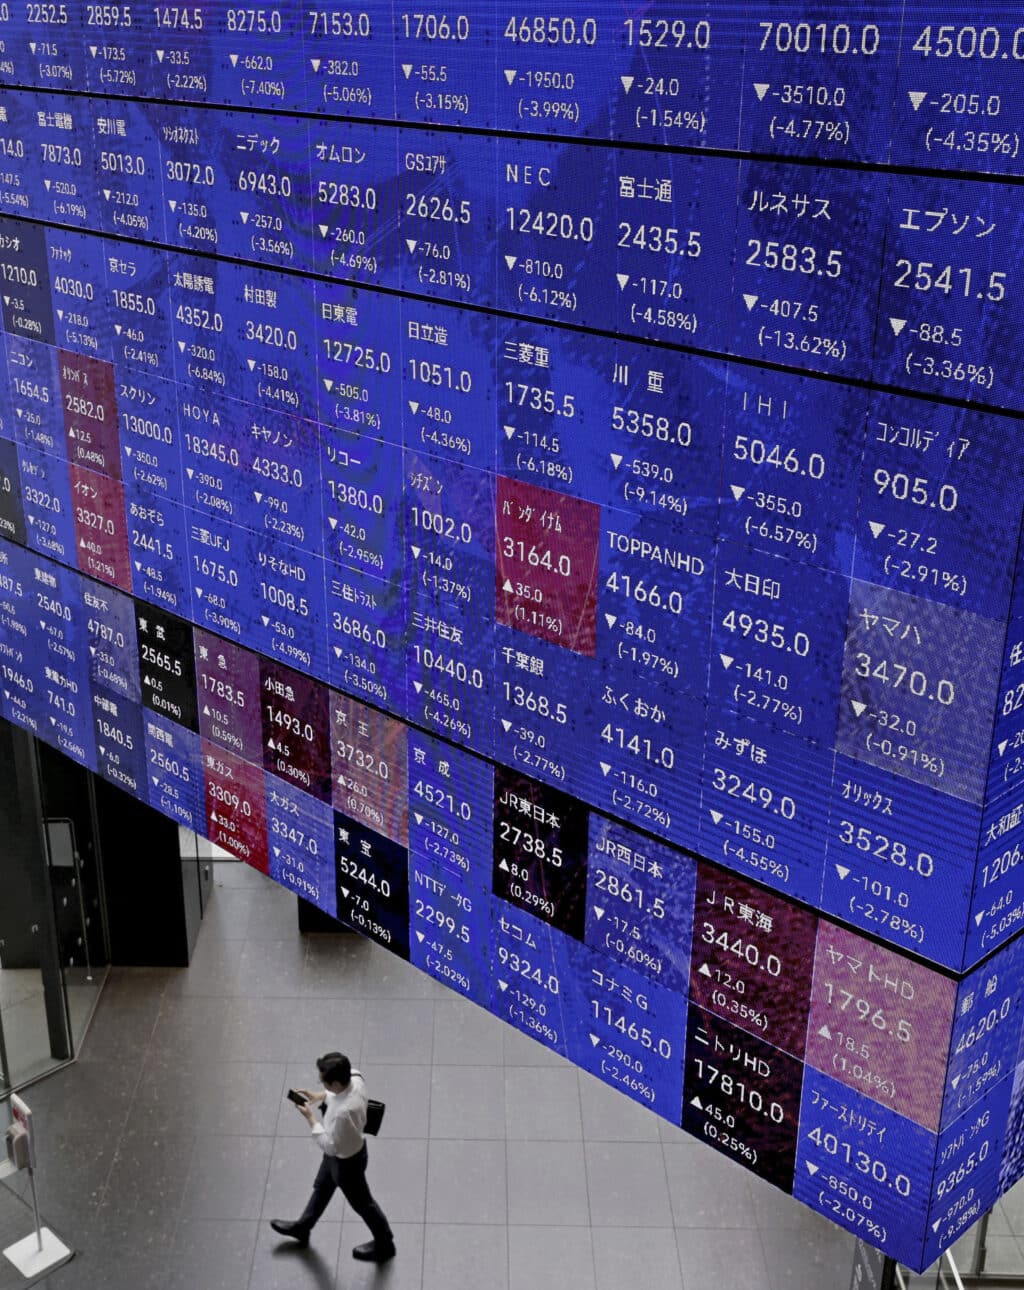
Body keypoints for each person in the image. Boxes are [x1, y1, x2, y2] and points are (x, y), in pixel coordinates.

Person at [270, 1051, 396, 1263]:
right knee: (322, 1187)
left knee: (364, 1204)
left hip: (347, 1163)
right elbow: (336, 1094)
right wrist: (319, 1095)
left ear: (337, 1083)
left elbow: (330, 1146)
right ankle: (303, 1227)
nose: (322, 1084)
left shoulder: (342, 1114)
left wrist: (311, 1119)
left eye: (324, 1083)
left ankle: (385, 1243)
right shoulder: (355, 1077)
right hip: (343, 1155)